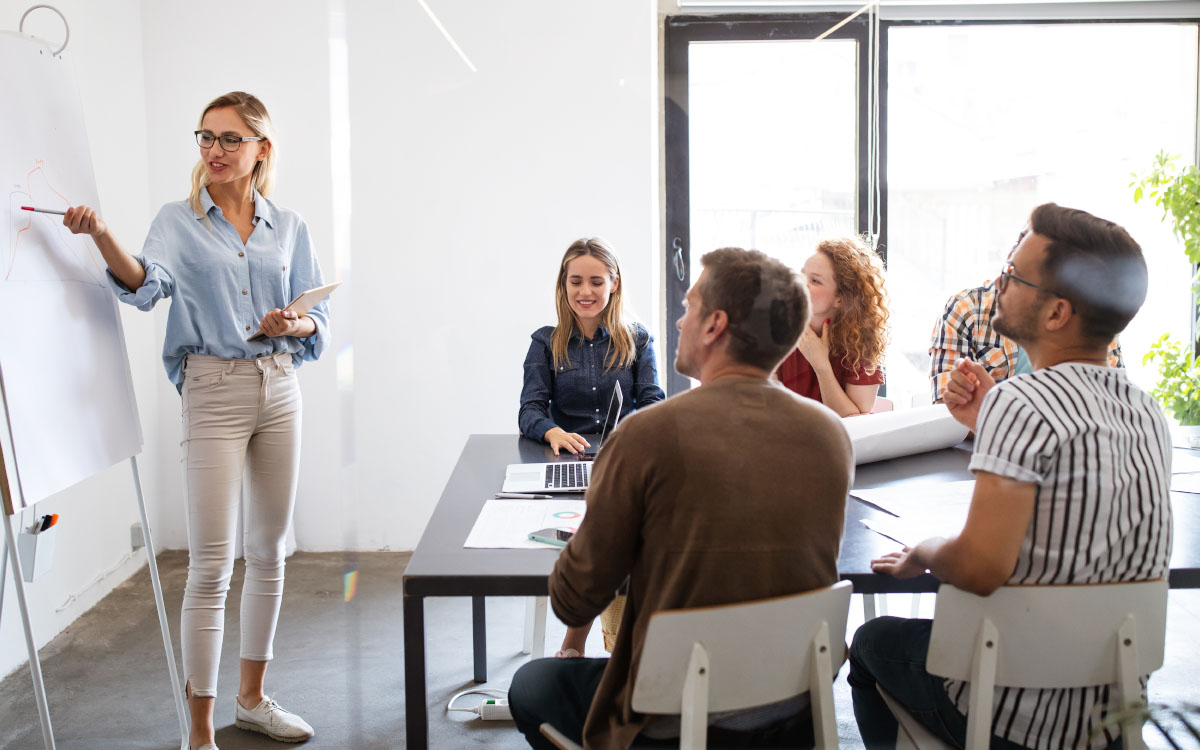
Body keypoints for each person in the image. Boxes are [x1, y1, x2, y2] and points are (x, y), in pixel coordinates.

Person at [850, 204, 1172, 750]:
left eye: (1015, 277)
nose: (999, 282)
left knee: (870, 642)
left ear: (1056, 314)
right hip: (1112, 718)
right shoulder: (1145, 410)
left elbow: (979, 568)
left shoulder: (1020, 403)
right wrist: (984, 421)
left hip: (1016, 720)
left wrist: (925, 549)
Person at [509, 247, 854, 750]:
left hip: (670, 718)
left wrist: (595, 526)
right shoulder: (831, 435)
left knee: (532, 684)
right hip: (792, 714)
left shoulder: (645, 435)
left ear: (714, 325)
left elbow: (572, 598)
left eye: (689, 307)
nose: (677, 320)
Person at [64, 92, 326, 750]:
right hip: (213, 387)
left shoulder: (288, 225)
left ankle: (253, 700)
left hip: (281, 384)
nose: (214, 150)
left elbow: (317, 318)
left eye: (231, 139)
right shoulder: (177, 223)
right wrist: (101, 235)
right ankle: (201, 734)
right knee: (213, 565)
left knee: (269, 554)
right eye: (206, 137)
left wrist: (295, 321)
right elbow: (145, 286)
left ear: (261, 149)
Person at [519, 237, 666, 659]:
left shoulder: (637, 338)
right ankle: (581, 644)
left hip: (623, 463)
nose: (586, 291)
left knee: (623, 529)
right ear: (563, 285)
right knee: (603, 532)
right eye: (576, 281)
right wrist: (552, 432)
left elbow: (654, 402)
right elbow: (529, 409)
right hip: (569, 464)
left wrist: (630, 432)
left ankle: (603, 645)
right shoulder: (546, 342)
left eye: (596, 281)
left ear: (614, 284)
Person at [929, 255, 1122, 405]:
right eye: (1008, 268)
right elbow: (946, 407)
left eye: (1020, 275)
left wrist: (992, 408)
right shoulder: (968, 309)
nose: (1000, 281)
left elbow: (1111, 403)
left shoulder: (1092, 320)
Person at [775, 236, 889, 416]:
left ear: (840, 298)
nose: (801, 284)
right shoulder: (776, 332)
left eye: (815, 281)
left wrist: (820, 365)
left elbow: (854, 422)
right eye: (802, 274)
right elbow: (768, 409)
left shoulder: (861, 345)